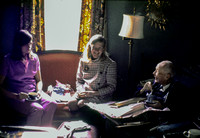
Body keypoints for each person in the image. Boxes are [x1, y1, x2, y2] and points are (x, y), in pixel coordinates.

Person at [0, 30, 57, 126]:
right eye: (26, 44)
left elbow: (39, 80)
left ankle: (45, 134)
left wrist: (39, 91)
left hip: (33, 93)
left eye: (30, 43)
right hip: (17, 96)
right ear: (19, 45)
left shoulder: (34, 58)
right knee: (37, 109)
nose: (30, 47)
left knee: (52, 104)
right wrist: (15, 96)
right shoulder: (8, 60)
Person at [67, 34, 117, 111]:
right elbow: (79, 81)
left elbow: (111, 87)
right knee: (71, 103)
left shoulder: (110, 63)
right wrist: (81, 91)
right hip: (84, 92)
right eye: (94, 47)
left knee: (81, 103)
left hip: (99, 95)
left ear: (103, 49)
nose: (96, 51)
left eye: (99, 48)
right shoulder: (83, 61)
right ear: (90, 47)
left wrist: (93, 93)